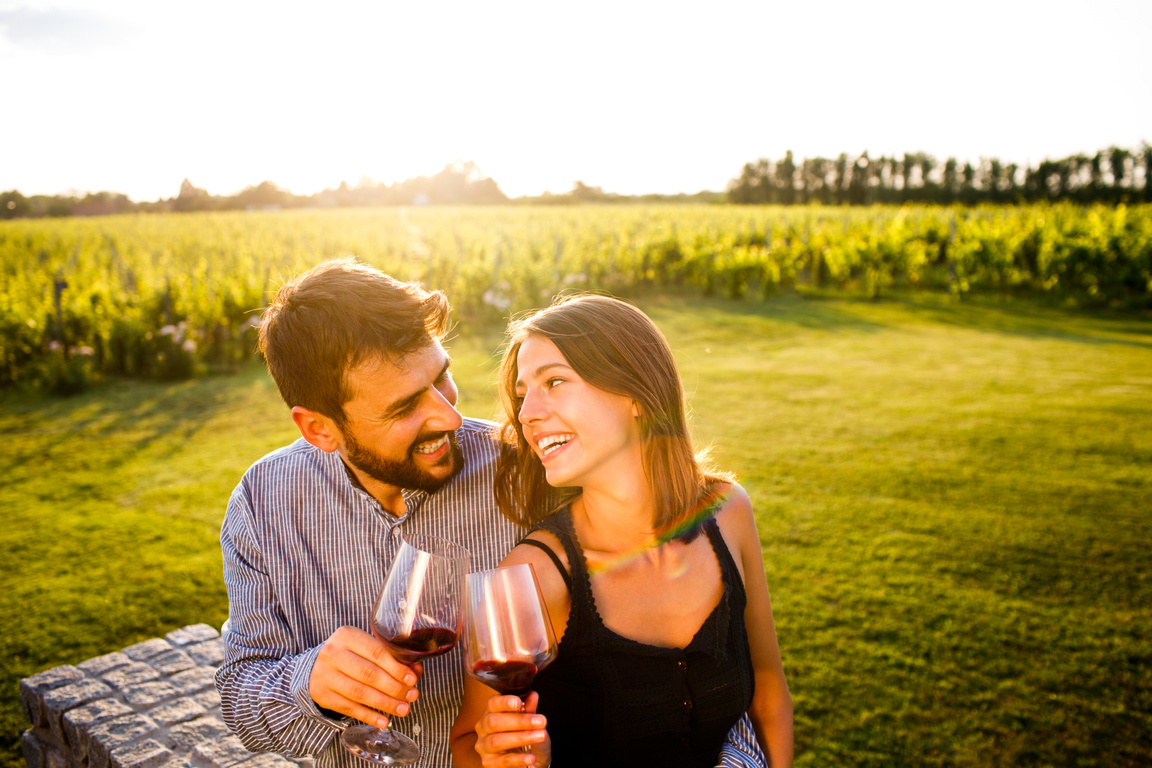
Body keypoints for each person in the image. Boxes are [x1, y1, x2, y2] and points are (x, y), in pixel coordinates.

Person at [216, 257, 768, 768]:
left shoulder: (525, 470)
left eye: (441, 377)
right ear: (319, 428)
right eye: (407, 407)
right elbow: (242, 699)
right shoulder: (264, 505)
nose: (450, 417)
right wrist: (308, 682)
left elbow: (692, 644)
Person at [451, 295, 793, 768]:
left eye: (554, 382)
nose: (527, 413)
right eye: (521, 394)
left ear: (634, 392)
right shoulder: (532, 576)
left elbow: (769, 686)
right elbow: (468, 742)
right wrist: (501, 755)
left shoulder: (727, 510)